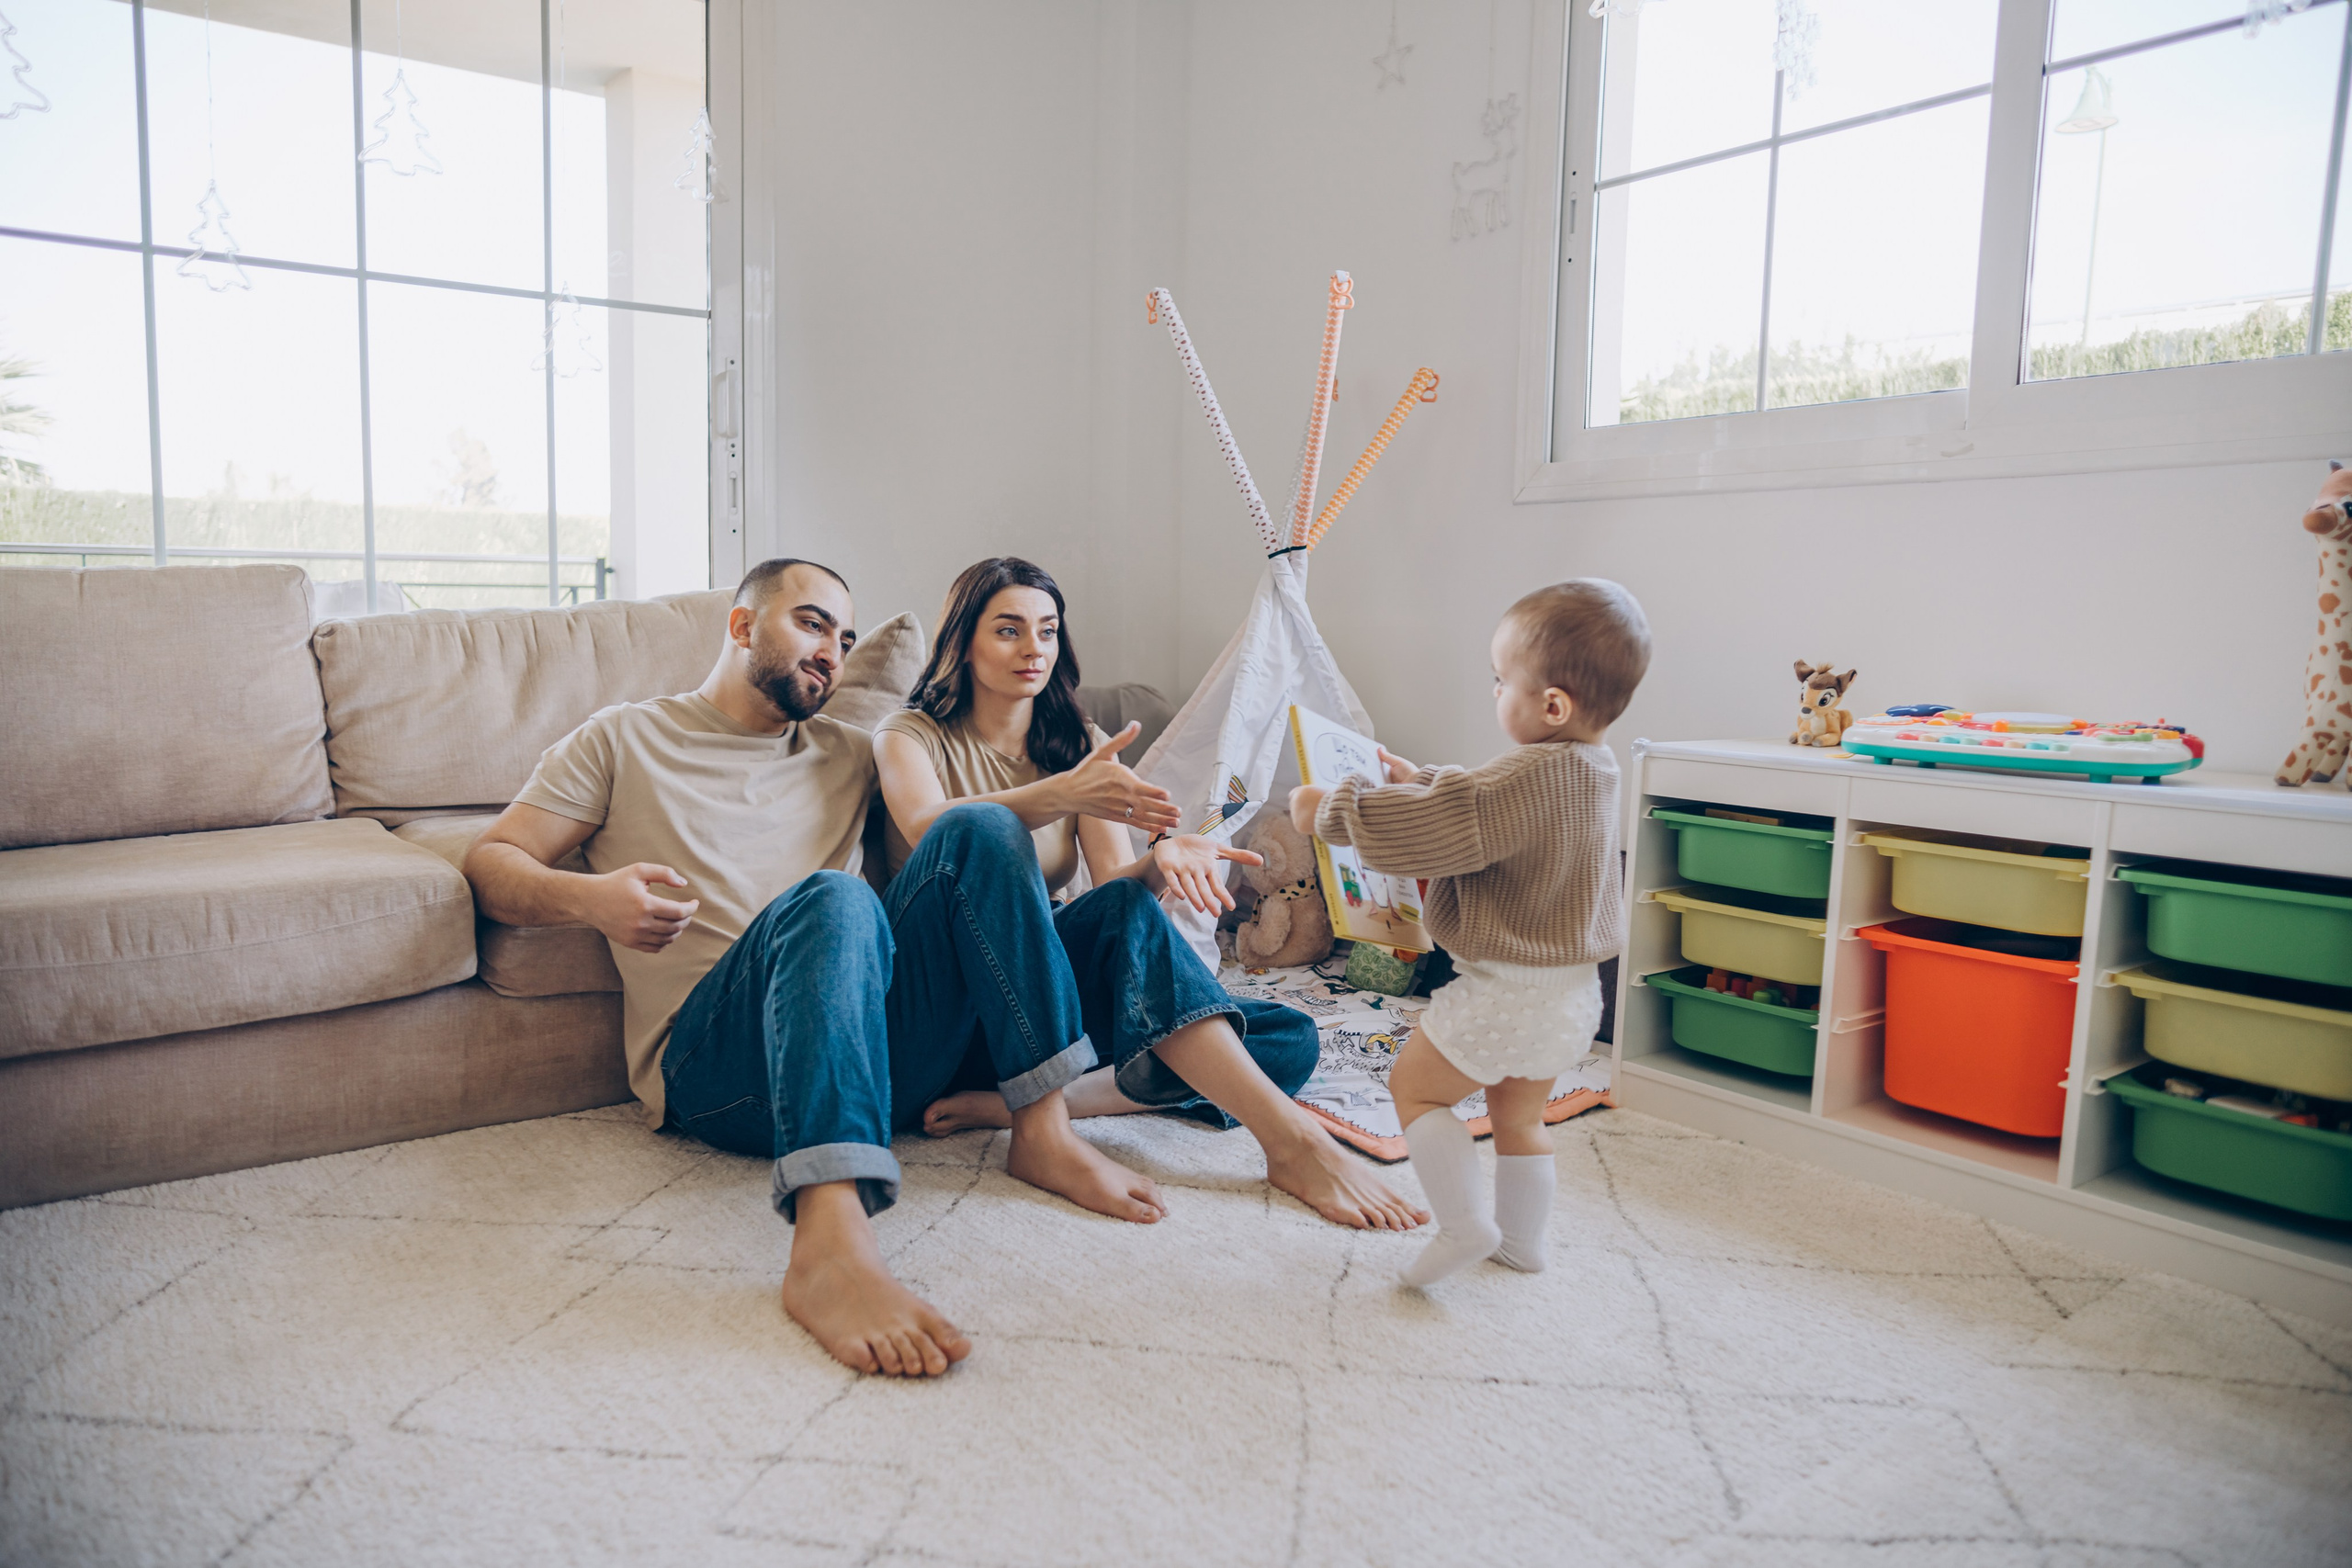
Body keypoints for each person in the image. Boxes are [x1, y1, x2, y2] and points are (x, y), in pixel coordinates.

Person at [463, 559, 1193, 1380]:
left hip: (875, 1056)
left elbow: (957, 837)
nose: (832, 653)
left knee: (983, 831)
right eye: (811, 624)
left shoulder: (853, 751)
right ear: (742, 625)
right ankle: (831, 1242)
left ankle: (1045, 1129)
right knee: (836, 897)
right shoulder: (622, 737)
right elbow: (492, 862)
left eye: (845, 639)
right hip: (721, 1068)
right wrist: (591, 899)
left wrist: (1137, 836)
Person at [873, 556, 1429, 1232]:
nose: (1034, 649)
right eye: (1009, 630)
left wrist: (1164, 859)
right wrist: (1065, 792)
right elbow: (929, 826)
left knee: (1286, 1037)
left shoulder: (1078, 745)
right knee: (982, 829)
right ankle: (1294, 1141)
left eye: (1048, 631)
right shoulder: (909, 733)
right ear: (962, 642)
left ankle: (1036, 1101)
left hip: (1036, 1012)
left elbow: (1115, 897)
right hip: (940, 1005)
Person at [1287, 579, 1650, 1286]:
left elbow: (1453, 822)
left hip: (1504, 991)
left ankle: (1463, 1225)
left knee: (1417, 1091)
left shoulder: (1520, 779)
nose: (1494, 692)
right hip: (1572, 995)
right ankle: (1522, 1244)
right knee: (1519, 1119)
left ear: (1552, 705)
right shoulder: (1595, 767)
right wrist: (1421, 778)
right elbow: (1484, 808)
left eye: (1500, 680)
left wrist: (1327, 810)